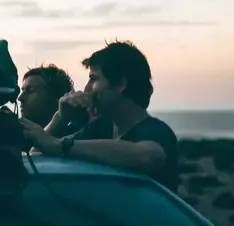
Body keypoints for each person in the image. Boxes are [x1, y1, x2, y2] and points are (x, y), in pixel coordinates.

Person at [21, 41, 179, 192]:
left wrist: (60, 145)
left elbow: (149, 156)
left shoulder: (156, 131)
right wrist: (60, 118)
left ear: (120, 84)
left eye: (94, 79)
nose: (87, 88)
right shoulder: (101, 127)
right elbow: (37, 158)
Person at [18, 64, 75, 129]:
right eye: (23, 91)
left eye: (30, 90)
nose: (20, 98)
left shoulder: (77, 136)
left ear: (55, 96)